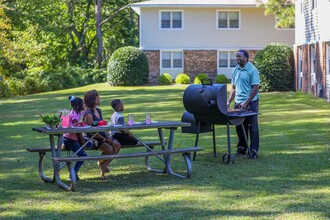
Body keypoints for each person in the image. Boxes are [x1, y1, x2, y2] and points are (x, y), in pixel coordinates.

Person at [227, 49, 260, 159]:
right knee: (240, 126)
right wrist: (228, 101)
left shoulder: (252, 70)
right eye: (236, 56)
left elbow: (255, 88)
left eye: (239, 56)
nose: (237, 58)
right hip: (238, 103)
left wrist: (246, 103)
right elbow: (233, 88)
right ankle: (242, 149)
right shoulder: (236, 70)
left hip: (251, 103)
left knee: (252, 127)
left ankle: (253, 151)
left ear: (246, 58)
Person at [83, 90, 121, 179]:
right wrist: (104, 139)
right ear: (93, 100)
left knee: (117, 145)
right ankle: (102, 166)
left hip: (102, 135)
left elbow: (101, 125)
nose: (100, 98)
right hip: (92, 138)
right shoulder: (89, 114)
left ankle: (103, 165)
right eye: (98, 97)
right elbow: (92, 131)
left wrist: (108, 136)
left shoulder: (98, 111)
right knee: (110, 149)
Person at [63, 96, 91, 180]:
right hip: (70, 139)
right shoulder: (73, 114)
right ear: (78, 106)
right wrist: (81, 124)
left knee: (89, 144)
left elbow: (80, 122)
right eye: (82, 104)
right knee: (83, 155)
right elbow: (75, 125)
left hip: (73, 138)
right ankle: (73, 173)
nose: (84, 105)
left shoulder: (78, 113)